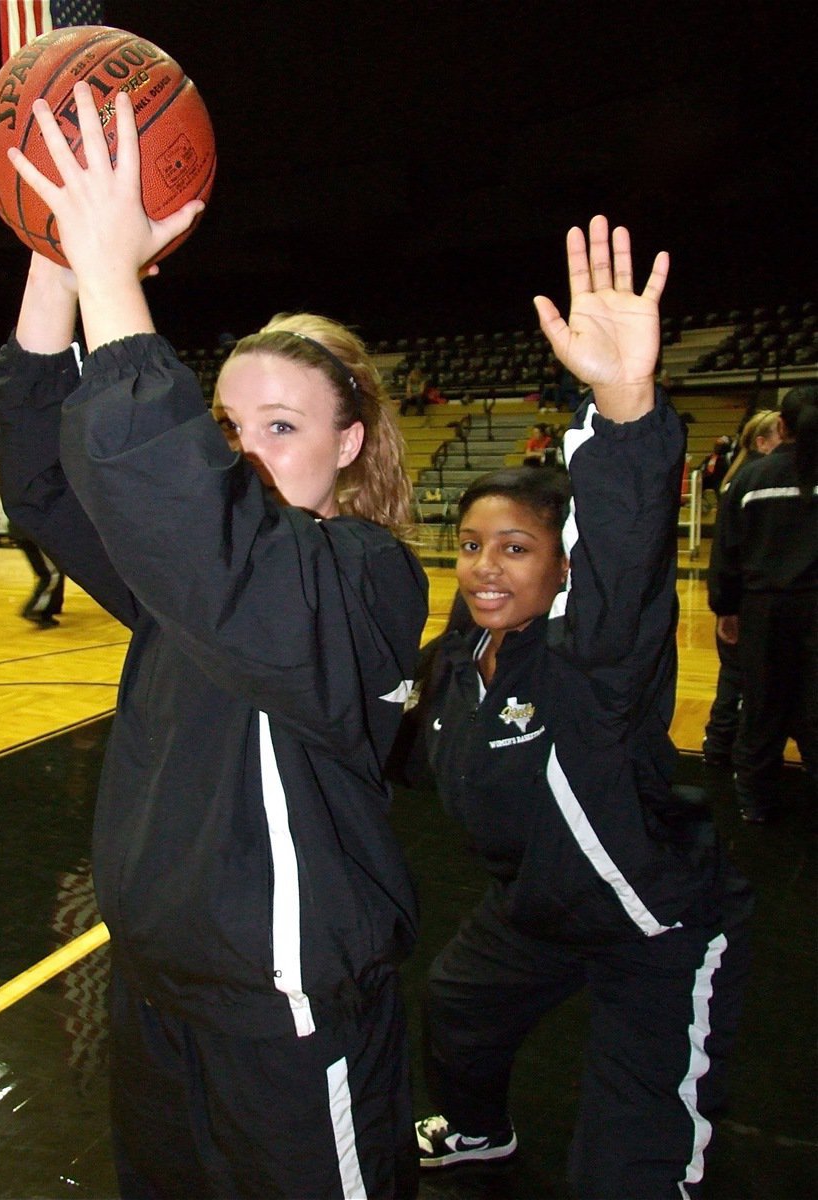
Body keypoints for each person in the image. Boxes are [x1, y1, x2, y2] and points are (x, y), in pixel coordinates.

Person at [0, 82, 428, 1198]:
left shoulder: (363, 579)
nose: (243, 451)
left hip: (283, 1012)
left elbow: (211, 539)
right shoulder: (189, 580)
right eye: (226, 427)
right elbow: (44, 483)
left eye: (280, 428)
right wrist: (54, 257)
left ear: (349, 443)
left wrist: (114, 281)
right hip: (156, 992)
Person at [393, 217, 752, 1198]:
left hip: (656, 928)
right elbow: (378, 741)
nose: (482, 565)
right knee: (456, 1007)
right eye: (470, 543)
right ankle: (474, 1135)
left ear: (559, 566)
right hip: (536, 912)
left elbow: (628, 551)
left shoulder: (591, 660)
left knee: (625, 1171)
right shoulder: (452, 660)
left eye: (513, 547)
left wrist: (622, 402)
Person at [707, 385, 818, 822]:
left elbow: (727, 552)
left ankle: (755, 800)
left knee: (762, 705)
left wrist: (726, 608)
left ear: (783, 426)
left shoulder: (750, 480)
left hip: (764, 612)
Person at [702, 410, 781, 766]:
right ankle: (722, 747)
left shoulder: (742, 481)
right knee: (738, 679)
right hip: (748, 602)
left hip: (748, 600)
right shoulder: (748, 485)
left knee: (739, 679)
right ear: (761, 442)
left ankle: (724, 746)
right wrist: (725, 606)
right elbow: (726, 555)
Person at [10, 522, 65, 627]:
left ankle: (51, 606)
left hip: (30, 530)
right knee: (52, 574)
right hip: (34, 532)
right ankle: (35, 610)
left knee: (57, 569)